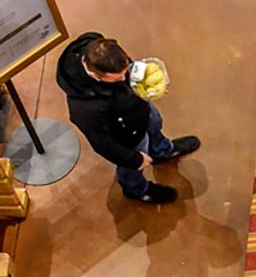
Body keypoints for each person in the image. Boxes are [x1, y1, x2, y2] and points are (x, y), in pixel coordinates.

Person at [55, 33, 200, 205]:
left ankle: (161, 151)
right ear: (95, 75)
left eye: (125, 72)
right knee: (130, 169)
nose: (125, 79)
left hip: (140, 109)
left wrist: (146, 82)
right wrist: (134, 160)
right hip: (127, 137)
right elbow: (102, 143)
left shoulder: (96, 44)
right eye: (118, 79)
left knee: (155, 125)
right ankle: (135, 189)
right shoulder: (85, 109)